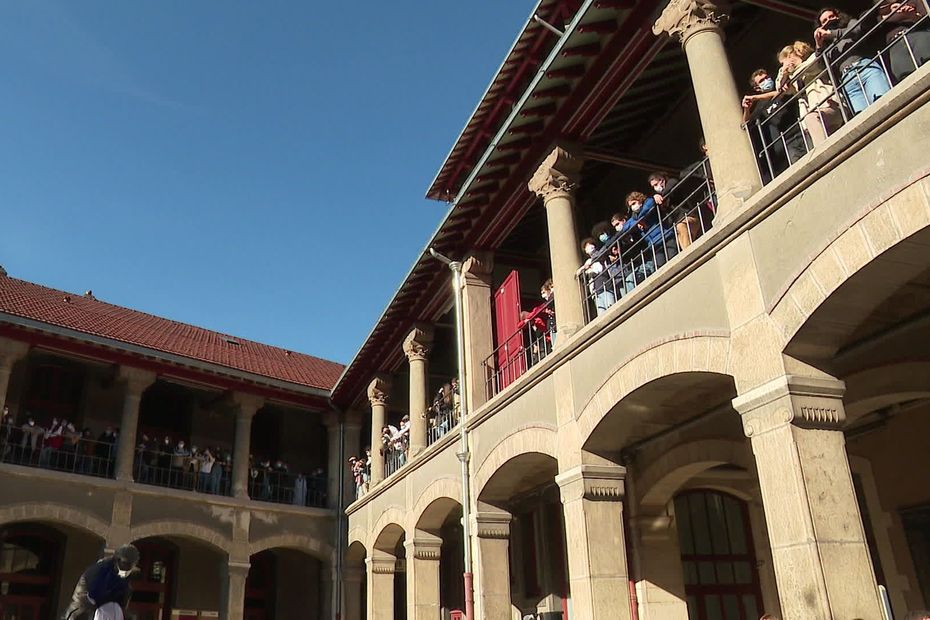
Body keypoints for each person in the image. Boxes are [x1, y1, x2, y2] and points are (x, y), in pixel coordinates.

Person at [815, 7, 892, 114]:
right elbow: (822, 66)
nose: (829, 21)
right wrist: (819, 46)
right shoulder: (826, 46)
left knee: (884, 102)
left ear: (838, 16)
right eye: (825, 21)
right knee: (862, 116)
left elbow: (857, 30)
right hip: (848, 80)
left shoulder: (849, 24)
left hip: (866, 68)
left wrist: (832, 33)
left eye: (831, 17)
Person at [777, 41, 843, 146]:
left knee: (811, 118)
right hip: (817, 115)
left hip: (830, 105)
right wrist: (783, 75)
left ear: (790, 56)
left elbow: (808, 67)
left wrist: (789, 73)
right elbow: (780, 90)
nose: (784, 67)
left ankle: (823, 153)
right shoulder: (794, 79)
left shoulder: (812, 59)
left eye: (783, 63)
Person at [63, 544, 139, 620]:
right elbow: (94, 593)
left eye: (130, 565)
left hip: (109, 597)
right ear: (117, 560)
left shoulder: (128, 574)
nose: (126, 568)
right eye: (125, 564)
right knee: (80, 609)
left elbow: (124, 593)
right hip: (88, 591)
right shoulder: (100, 569)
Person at [878, 0, 930, 82]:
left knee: (927, 58)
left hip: (917, 33)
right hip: (895, 43)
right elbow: (867, 27)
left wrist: (912, 16)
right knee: (904, 75)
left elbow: (926, 18)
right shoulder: (878, 12)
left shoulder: (913, 1)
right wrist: (888, 13)